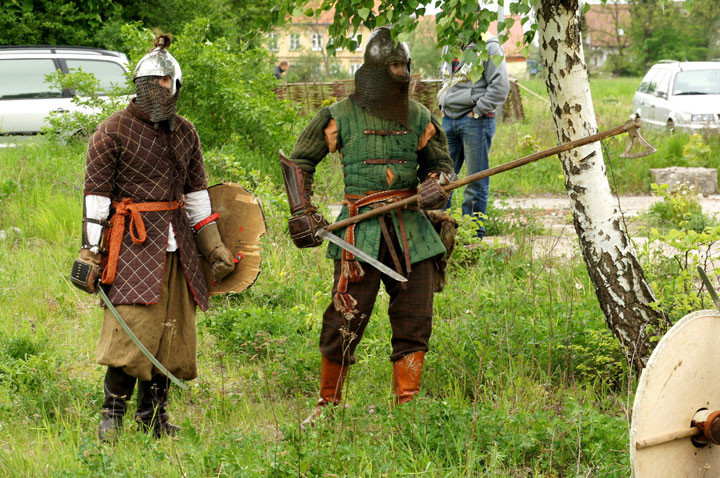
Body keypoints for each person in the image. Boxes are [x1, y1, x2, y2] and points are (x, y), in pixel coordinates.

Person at [281, 26, 455, 426]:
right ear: (374, 70)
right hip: (359, 233)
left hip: (412, 231)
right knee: (344, 318)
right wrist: (302, 211)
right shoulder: (338, 115)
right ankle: (328, 405)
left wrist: (436, 187)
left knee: (415, 319)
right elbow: (298, 162)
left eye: (404, 65)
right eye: (393, 65)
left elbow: (443, 170)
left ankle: (407, 406)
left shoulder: (420, 116)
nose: (401, 72)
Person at [70, 35, 236, 442]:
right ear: (143, 85)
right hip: (131, 244)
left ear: (177, 87)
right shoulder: (111, 131)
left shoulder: (186, 132)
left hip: (178, 243)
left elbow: (196, 194)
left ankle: (154, 418)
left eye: (170, 82)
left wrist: (212, 246)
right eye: (157, 82)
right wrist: (91, 252)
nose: (165, 88)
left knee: (172, 331)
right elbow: (96, 199)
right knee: (130, 330)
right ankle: (112, 416)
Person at [437, 38, 509, 239]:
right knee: (443, 178)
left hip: (475, 120)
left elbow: (501, 86)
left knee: (475, 180)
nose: (448, 14)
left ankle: (472, 234)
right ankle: (443, 230)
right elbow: (446, 80)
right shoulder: (449, 45)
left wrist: (478, 110)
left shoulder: (489, 47)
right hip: (449, 120)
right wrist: (443, 107)